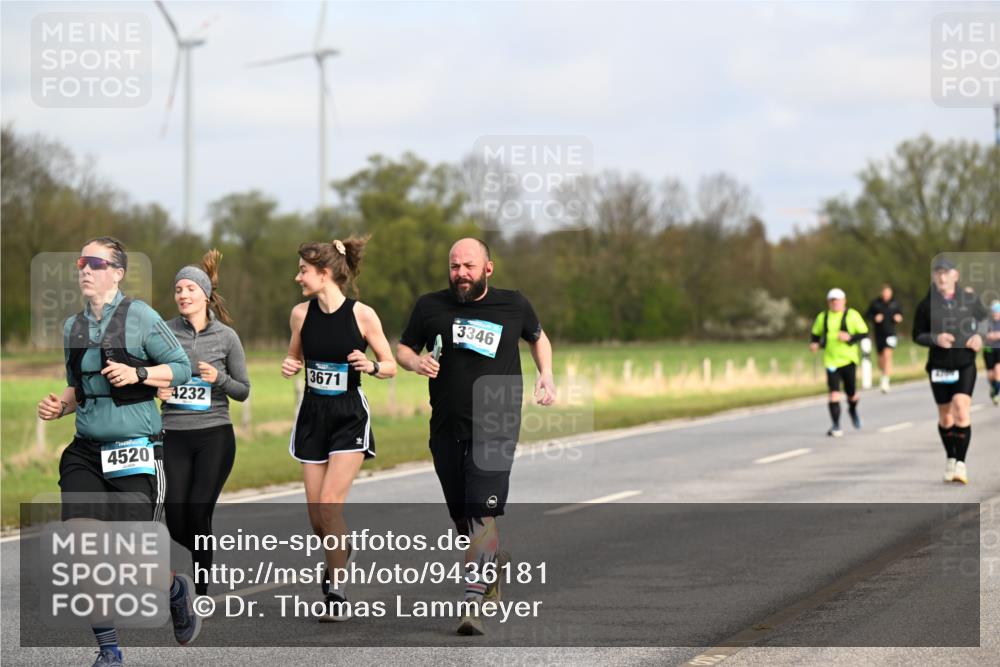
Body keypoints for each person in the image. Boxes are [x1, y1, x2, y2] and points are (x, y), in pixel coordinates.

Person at [36, 237, 197, 666]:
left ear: (117, 272)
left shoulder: (140, 316)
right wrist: (60, 405)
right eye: (80, 263)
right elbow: (80, 387)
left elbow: (182, 368)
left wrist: (139, 371)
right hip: (86, 453)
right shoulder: (72, 327)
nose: (84, 269)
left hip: (136, 452)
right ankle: (109, 651)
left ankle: (174, 589)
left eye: (94, 263)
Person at [396, 238, 556, 636]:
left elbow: (537, 337)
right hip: (447, 426)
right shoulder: (429, 306)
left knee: (481, 511)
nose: (460, 274)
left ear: (488, 268)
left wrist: (546, 374)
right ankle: (491, 565)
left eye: (468, 266)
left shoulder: (513, 305)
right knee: (463, 517)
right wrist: (415, 362)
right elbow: (402, 348)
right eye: (454, 267)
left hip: (496, 425)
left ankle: (472, 601)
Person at [281, 236, 396, 621]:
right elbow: (295, 355)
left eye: (303, 270)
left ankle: (338, 593)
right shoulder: (300, 315)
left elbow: (390, 364)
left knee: (330, 506)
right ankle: (341, 551)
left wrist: (373, 367)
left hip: (349, 416)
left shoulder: (362, 315)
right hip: (313, 416)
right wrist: (290, 365)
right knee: (318, 517)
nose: (298, 277)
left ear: (324, 273)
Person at [160, 250, 250, 598]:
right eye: (178, 290)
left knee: (198, 514)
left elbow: (243, 391)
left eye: (189, 289)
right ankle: (203, 551)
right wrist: (158, 386)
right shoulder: (163, 333)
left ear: (205, 295)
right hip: (174, 435)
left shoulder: (226, 337)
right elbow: (147, 376)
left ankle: (198, 593)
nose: (182, 295)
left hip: (214, 435)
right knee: (176, 518)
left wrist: (219, 379)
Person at [913, 257, 989, 484]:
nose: (942, 277)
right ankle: (951, 458)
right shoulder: (926, 305)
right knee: (945, 416)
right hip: (939, 366)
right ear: (934, 276)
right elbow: (917, 335)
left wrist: (979, 336)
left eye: (946, 272)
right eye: (938, 273)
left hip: (965, 362)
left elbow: (986, 320)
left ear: (955, 275)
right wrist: (936, 338)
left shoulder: (969, 300)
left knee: (961, 409)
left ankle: (961, 465)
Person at [809, 288, 869, 437]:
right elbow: (815, 334)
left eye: (838, 300)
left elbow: (864, 333)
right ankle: (836, 426)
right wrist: (814, 344)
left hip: (849, 360)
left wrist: (850, 338)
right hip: (831, 361)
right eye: (832, 301)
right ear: (829, 302)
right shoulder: (822, 317)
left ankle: (853, 409)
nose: (835, 303)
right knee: (834, 394)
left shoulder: (852, 315)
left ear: (844, 301)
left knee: (852, 394)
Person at [865, 283, 904, 393]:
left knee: (888, 355)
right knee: (880, 360)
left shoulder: (895, 304)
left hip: (890, 334)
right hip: (879, 334)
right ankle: (884, 374)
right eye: (884, 292)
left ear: (891, 293)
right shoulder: (875, 304)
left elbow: (901, 314)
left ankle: (885, 381)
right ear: (882, 293)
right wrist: (874, 318)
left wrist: (898, 318)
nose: (886, 294)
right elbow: (867, 315)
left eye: (888, 292)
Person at [984, 300, 1000, 407]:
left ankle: (996, 394)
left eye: (997, 311)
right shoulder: (987, 322)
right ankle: (993, 388)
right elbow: (984, 334)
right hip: (989, 350)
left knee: (998, 371)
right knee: (990, 375)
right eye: (994, 311)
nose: (995, 313)